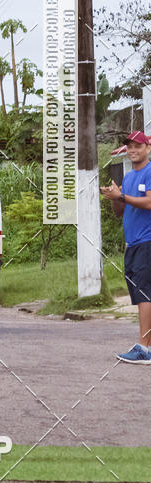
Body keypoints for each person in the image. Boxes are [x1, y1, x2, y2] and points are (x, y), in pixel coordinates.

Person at [101, 130, 151, 364]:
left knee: (144, 294)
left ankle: (144, 348)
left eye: (137, 146)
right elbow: (121, 210)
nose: (132, 150)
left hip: (147, 242)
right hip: (132, 243)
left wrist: (121, 197)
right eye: (129, 146)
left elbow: (149, 202)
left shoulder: (150, 172)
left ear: (147, 148)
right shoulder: (129, 177)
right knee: (140, 294)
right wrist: (114, 197)